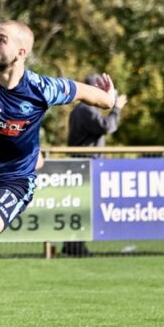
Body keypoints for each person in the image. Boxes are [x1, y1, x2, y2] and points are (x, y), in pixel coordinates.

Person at [0, 20, 117, 327]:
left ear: (21, 52)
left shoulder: (40, 88)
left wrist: (109, 99)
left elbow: (83, 92)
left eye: (0, 40)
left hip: (15, 180)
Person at [62, 73, 128, 257]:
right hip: (84, 165)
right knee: (82, 206)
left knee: (82, 206)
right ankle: (75, 247)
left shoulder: (82, 109)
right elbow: (108, 127)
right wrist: (117, 108)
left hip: (84, 165)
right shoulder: (85, 109)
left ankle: (73, 246)